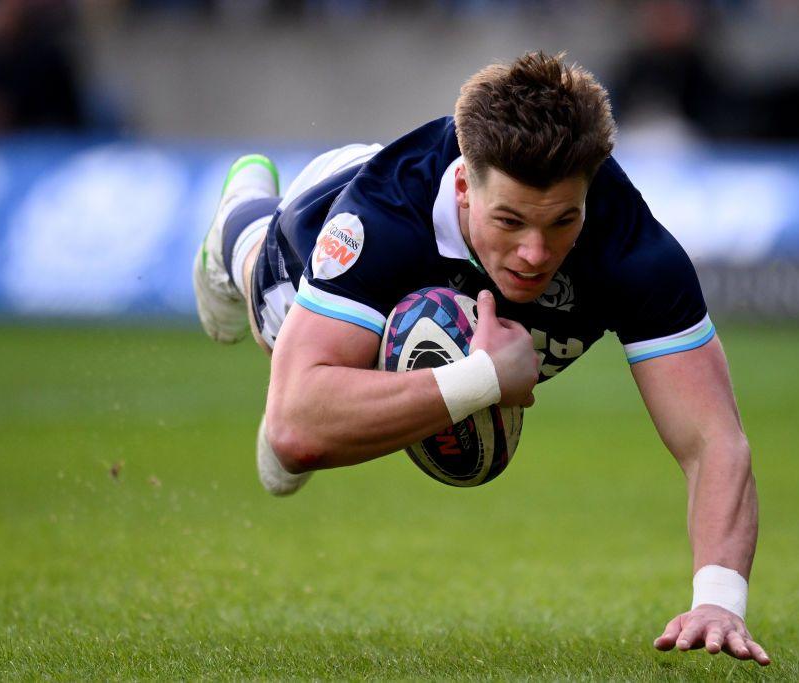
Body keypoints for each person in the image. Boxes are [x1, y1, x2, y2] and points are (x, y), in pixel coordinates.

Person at [193, 52, 769, 666]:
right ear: (465, 187)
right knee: (276, 350)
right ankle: (240, 220)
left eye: (561, 222)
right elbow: (293, 427)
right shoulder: (380, 219)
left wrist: (718, 600)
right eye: (511, 220)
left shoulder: (633, 248)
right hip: (327, 210)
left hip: (433, 267)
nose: (533, 253)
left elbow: (715, 440)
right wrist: (484, 378)